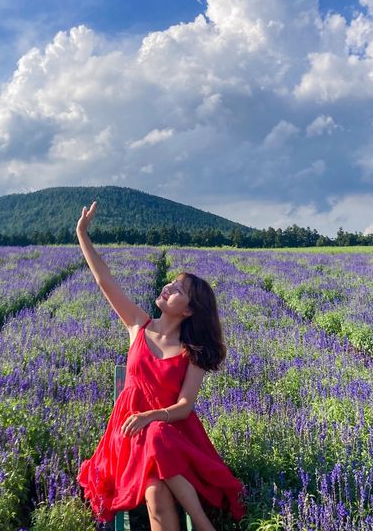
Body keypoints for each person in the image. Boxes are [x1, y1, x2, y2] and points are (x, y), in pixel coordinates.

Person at [76, 201, 246, 531]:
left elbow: (184, 407)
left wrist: (151, 416)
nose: (168, 287)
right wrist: (82, 233)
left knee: (156, 466)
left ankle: (200, 523)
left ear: (189, 311)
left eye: (179, 290)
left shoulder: (191, 351)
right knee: (155, 487)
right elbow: (104, 281)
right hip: (128, 434)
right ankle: (203, 526)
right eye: (172, 283)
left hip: (172, 436)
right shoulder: (139, 325)